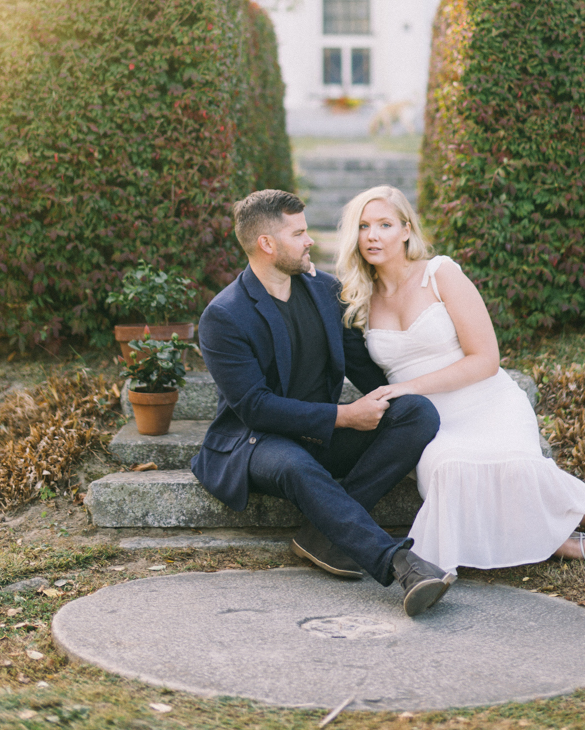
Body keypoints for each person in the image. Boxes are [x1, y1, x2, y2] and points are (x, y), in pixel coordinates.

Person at [336, 185, 585, 572]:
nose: (372, 235)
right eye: (363, 226)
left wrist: (407, 387)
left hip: (484, 400)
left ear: (406, 230)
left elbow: (486, 360)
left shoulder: (440, 274)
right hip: (428, 423)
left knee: (515, 464)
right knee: (451, 470)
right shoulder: (359, 297)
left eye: (384, 224)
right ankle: (568, 545)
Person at [191, 188, 457, 616]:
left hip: (322, 437)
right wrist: (346, 416)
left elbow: (365, 371)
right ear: (267, 244)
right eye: (299, 233)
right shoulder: (225, 315)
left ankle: (321, 534)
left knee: (414, 412)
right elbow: (255, 408)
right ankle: (401, 564)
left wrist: (410, 397)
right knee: (296, 464)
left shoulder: (325, 292)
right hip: (256, 442)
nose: (310, 240)